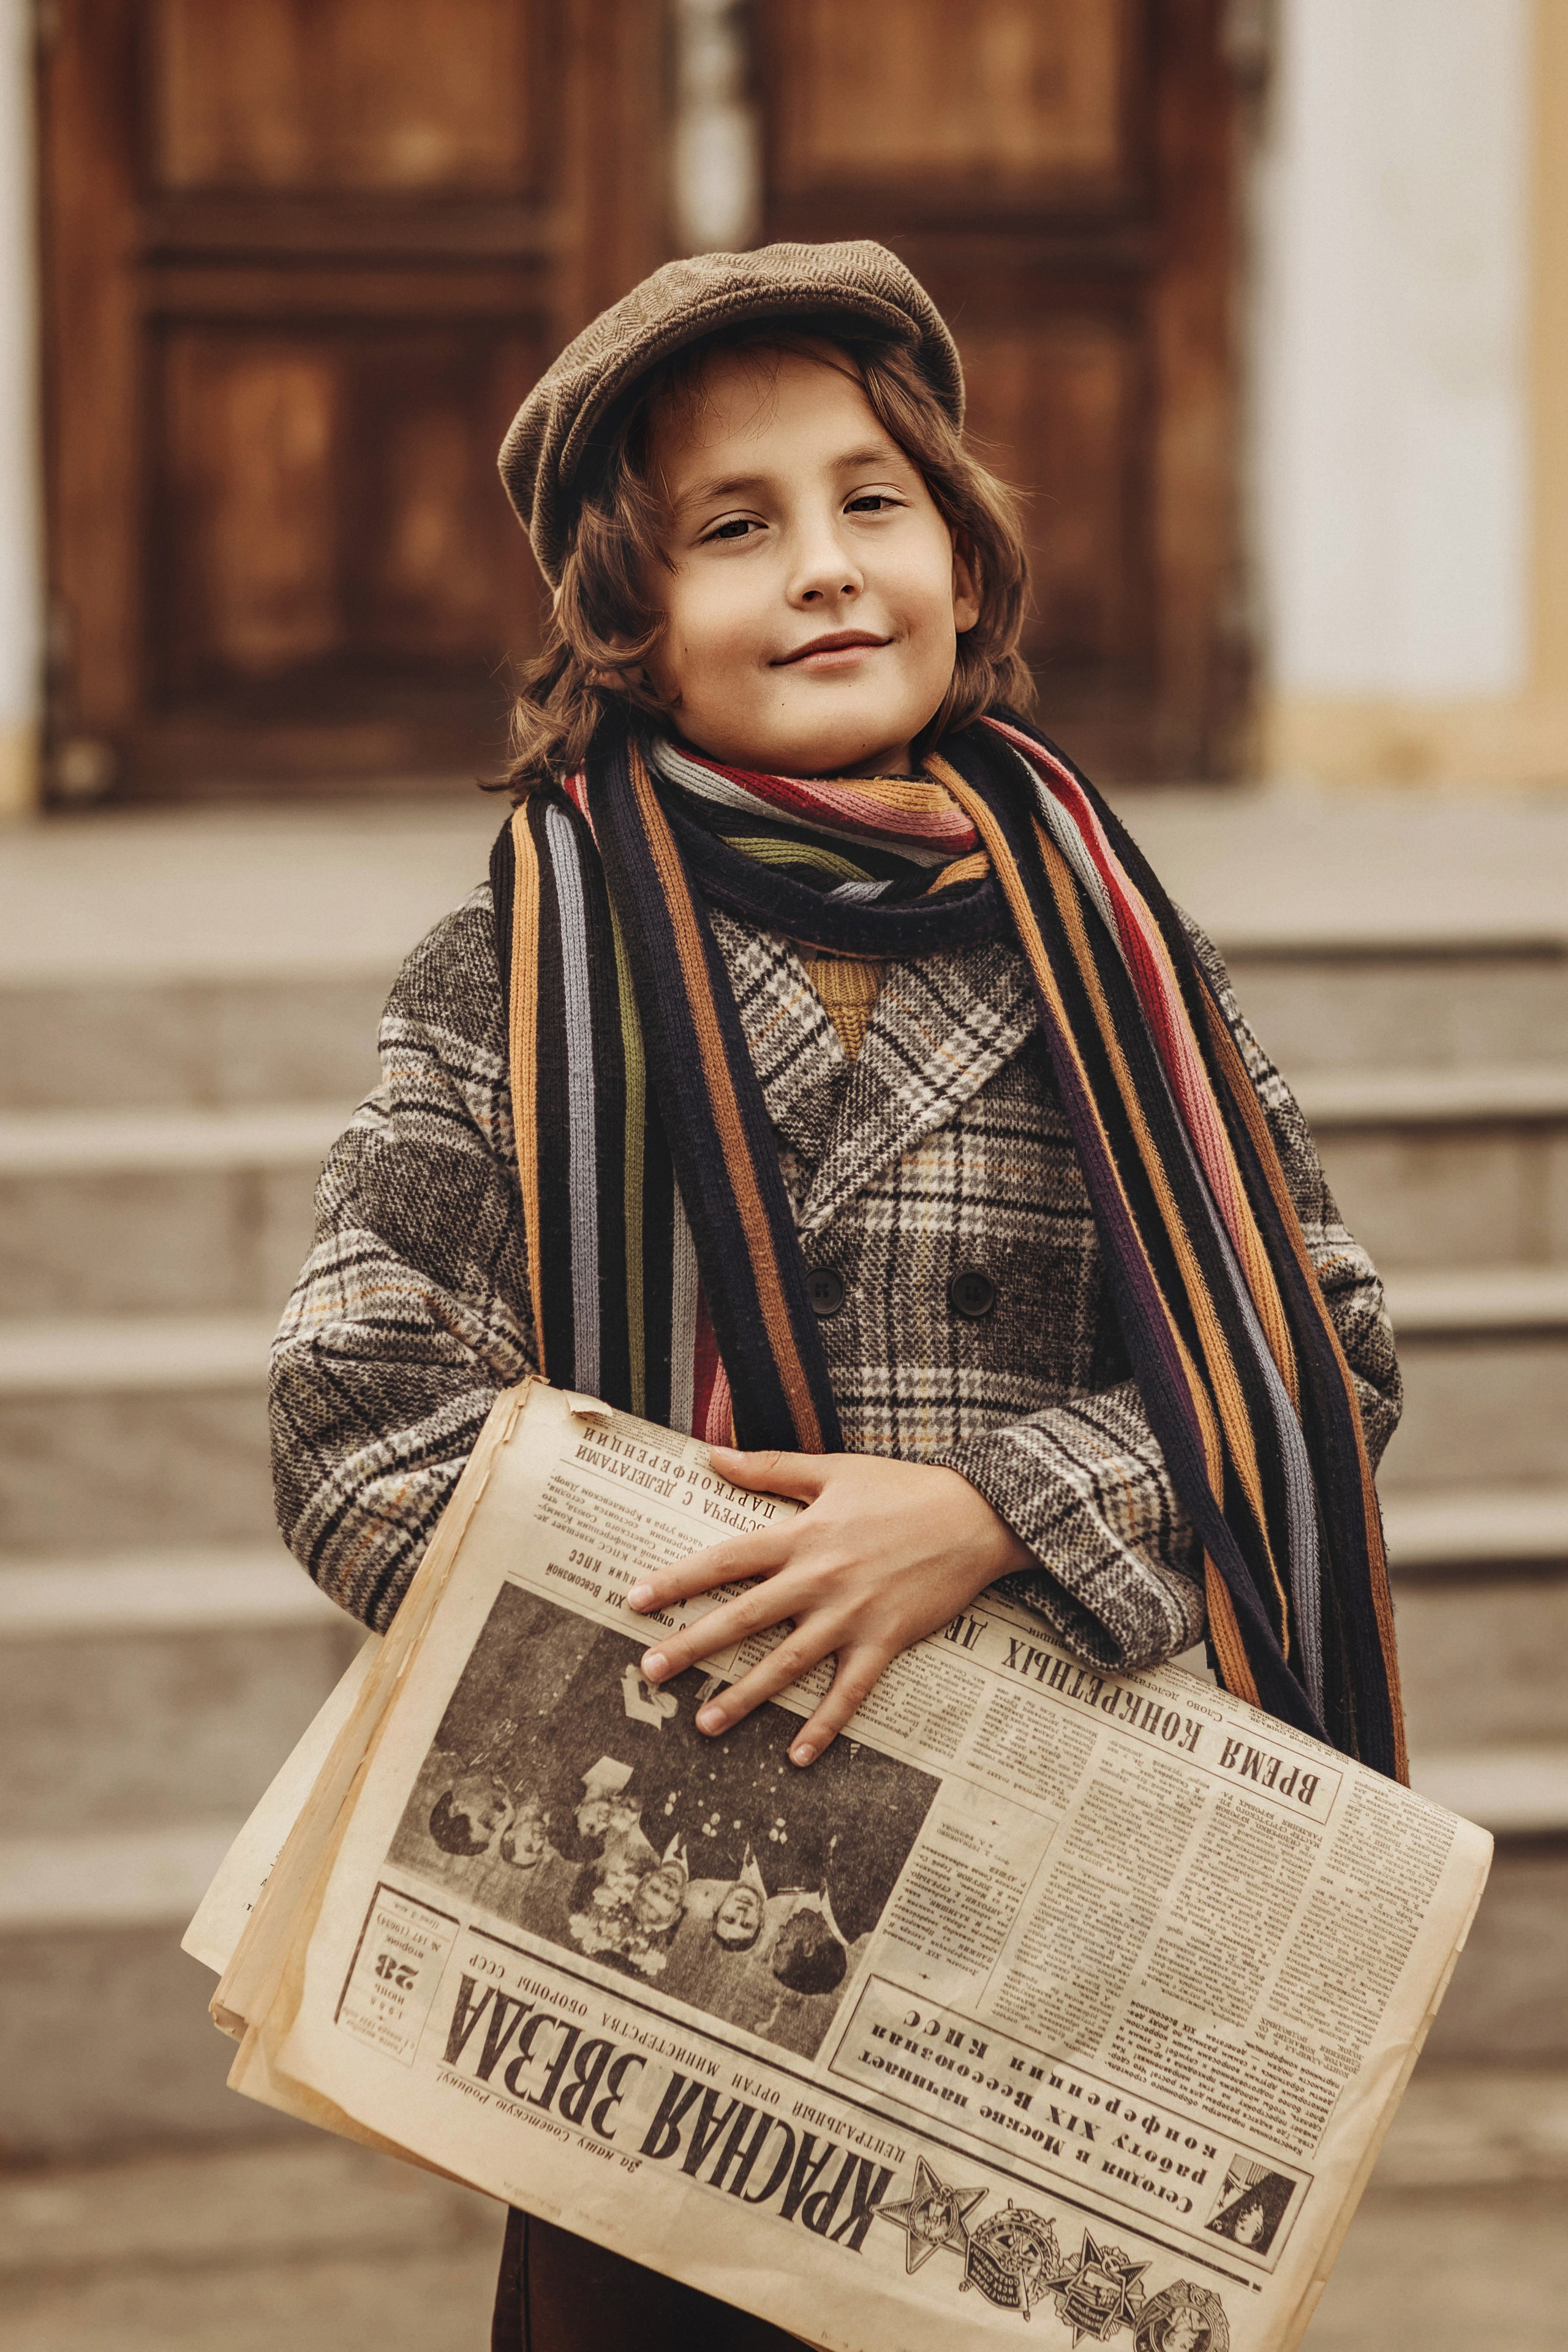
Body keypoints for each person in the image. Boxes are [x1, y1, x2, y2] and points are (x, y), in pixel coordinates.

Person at [270, 242, 1405, 2351]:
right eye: (735, 526)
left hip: (1038, 1973)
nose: (824, 568)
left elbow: (1316, 1347)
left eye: (874, 502)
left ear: (966, 567)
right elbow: (360, 1411)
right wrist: (756, 1589)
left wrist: (984, 1519)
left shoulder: (1117, 961)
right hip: (677, 1937)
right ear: (629, 624)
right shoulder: (525, 963)